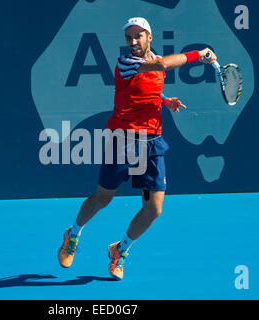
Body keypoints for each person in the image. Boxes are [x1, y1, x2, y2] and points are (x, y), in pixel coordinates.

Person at [58, 17, 217, 280]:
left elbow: (150, 83)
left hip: (152, 142)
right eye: (129, 37)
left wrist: (165, 100)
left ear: (149, 37)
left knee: (154, 209)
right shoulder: (127, 62)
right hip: (122, 140)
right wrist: (199, 54)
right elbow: (163, 64)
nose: (132, 42)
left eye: (138, 36)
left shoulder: (153, 62)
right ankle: (73, 234)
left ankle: (119, 251)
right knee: (102, 199)